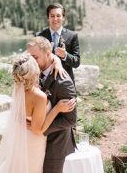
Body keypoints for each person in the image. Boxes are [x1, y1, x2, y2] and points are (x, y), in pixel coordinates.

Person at [0, 53, 76, 173]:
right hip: (33, 142)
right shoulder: (39, 96)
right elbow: (38, 130)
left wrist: (56, 59)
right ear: (35, 72)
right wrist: (56, 109)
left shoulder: (18, 90)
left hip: (21, 137)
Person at [28, 36, 78, 173]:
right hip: (33, 141)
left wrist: (41, 128)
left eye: (35, 57)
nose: (31, 61)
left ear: (48, 54)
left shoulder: (63, 82)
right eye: (29, 57)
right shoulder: (32, 70)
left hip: (55, 145)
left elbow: (70, 119)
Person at [36, 3, 81, 85]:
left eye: (58, 16)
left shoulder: (72, 36)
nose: (55, 19)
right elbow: (36, 61)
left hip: (65, 82)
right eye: (52, 16)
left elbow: (76, 62)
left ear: (63, 18)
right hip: (45, 83)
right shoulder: (40, 36)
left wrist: (65, 55)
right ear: (48, 18)